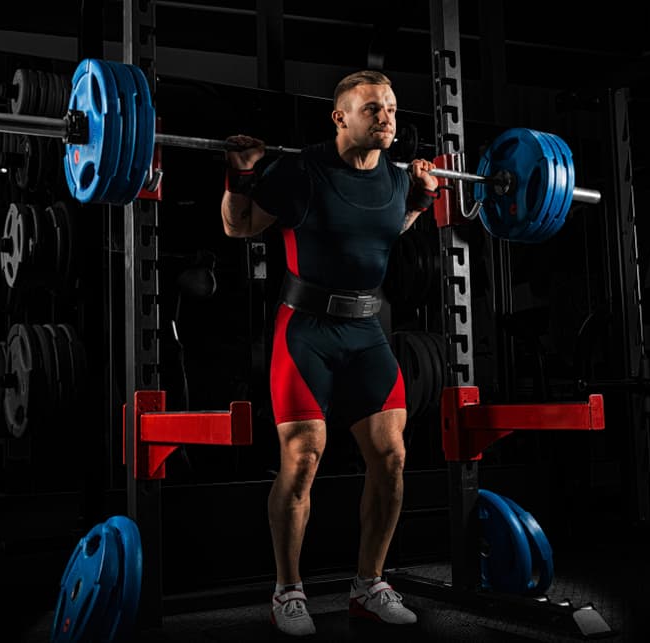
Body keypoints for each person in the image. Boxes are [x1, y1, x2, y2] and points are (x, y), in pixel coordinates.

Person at [220, 69, 438, 637]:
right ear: (340, 117)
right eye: (373, 109)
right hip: (306, 331)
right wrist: (241, 176)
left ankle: (369, 586)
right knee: (303, 458)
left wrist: (419, 197)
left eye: (391, 108)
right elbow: (239, 227)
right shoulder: (301, 171)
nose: (387, 117)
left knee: (391, 457)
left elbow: (390, 229)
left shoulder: (394, 179)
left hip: (367, 330)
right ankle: (288, 592)